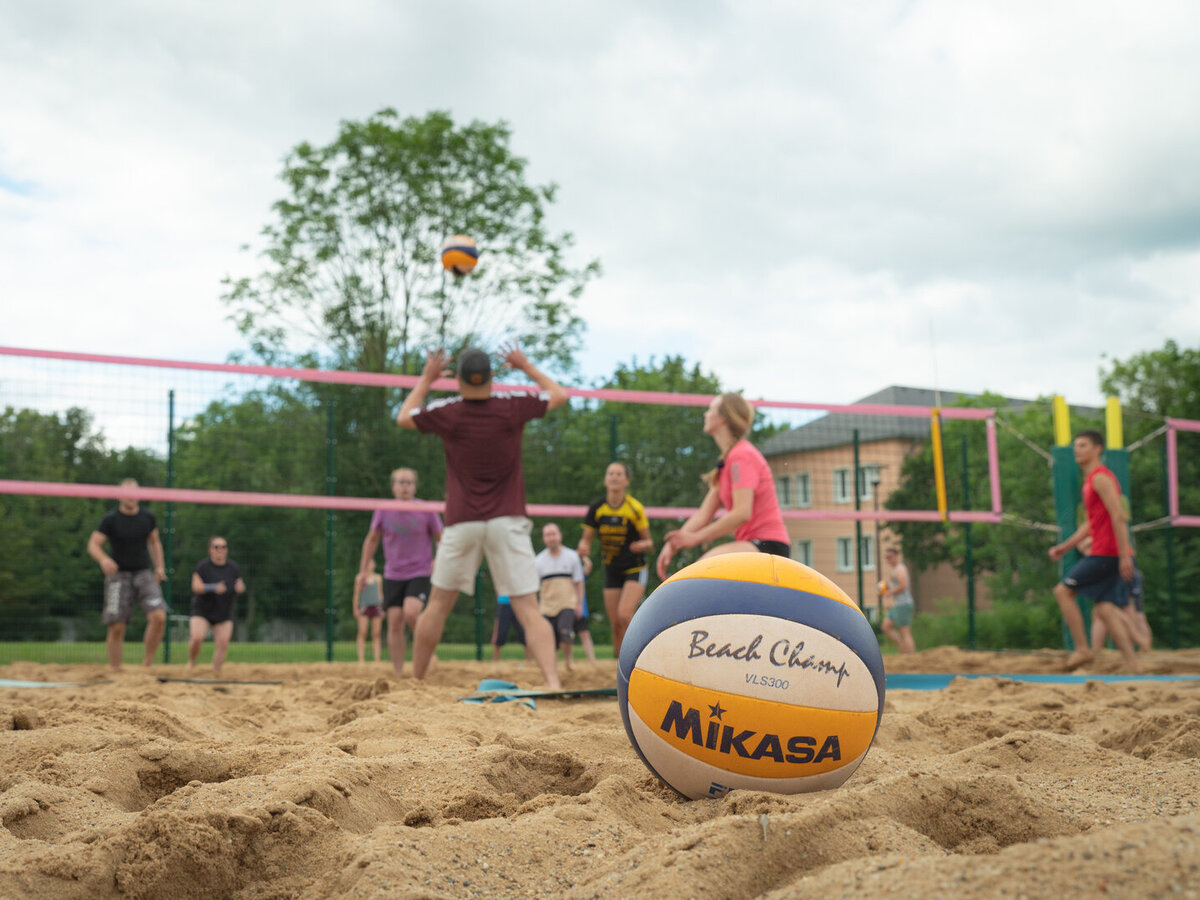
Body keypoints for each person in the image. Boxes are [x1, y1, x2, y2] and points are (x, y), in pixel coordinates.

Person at [395, 343, 567, 689]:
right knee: (528, 609)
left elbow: (403, 417)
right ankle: (553, 682)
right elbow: (559, 395)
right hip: (507, 521)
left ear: (458, 379)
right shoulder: (511, 407)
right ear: (492, 377)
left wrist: (427, 379)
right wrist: (525, 365)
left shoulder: (450, 412)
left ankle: (415, 680)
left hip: (462, 522)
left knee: (438, 606)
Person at [656, 393, 790, 579]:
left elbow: (742, 513)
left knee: (699, 575)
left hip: (768, 546)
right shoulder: (728, 460)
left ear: (723, 418)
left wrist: (696, 538)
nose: (705, 414)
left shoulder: (741, 456)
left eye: (710, 409)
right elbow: (704, 514)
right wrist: (673, 544)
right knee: (698, 579)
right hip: (753, 546)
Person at [1048, 430, 1140, 672]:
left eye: (1082, 445)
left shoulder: (1100, 478)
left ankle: (1082, 650)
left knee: (1063, 592)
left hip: (1107, 552)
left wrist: (1123, 556)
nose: (1077, 449)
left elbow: (1118, 516)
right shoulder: (1090, 481)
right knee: (1104, 608)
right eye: (1075, 445)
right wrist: (1065, 547)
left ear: (1097, 449)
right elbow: (1091, 523)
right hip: (1108, 551)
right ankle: (1133, 665)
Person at [356, 467, 443, 678]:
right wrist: (363, 571)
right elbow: (372, 540)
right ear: (393, 486)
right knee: (394, 621)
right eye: (401, 482)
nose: (405, 487)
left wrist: (438, 562)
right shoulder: (383, 510)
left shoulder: (427, 509)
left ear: (415, 486)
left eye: (409, 483)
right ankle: (398, 673)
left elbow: (442, 539)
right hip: (393, 574)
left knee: (412, 612)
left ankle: (426, 654)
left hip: (420, 571)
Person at [86, 478, 168, 670]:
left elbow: (154, 542)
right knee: (117, 625)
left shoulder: (148, 517)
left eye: (134, 493)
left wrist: (159, 567)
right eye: (127, 493)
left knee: (159, 617)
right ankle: (116, 670)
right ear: (119, 495)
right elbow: (93, 544)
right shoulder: (111, 519)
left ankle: (147, 664)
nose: (131, 497)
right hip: (119, 575)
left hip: (143, 573)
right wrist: (104, 559)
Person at [576, 461, 654, 657]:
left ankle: (639, 658)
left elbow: (649, 543)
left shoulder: (634, 508)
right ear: (605, 479)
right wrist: (583, 548)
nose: (614, 477)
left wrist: (640, 545)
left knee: (625, 615)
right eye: (610, 473)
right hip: (612, 569)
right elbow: (586, 541)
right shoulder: (597, 508)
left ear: (626, 481)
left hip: (635, 568)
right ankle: (619, 664)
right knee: (616, 624)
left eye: (619, 474)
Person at [188, 535, 246, 675]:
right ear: (210, 550)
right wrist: (213, 587)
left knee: (223, 643)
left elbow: (240, 585)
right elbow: (196, 587)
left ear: (226, 550)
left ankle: (216, 671)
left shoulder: (233, 567)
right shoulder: (203, 566)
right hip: (203, 609)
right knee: (197, 638)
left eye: (223, 547)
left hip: (223, 611)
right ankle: (191, 662)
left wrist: (241, 588)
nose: (220, 549)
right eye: (216, 547)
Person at [536, 522, 587, 670]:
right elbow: (535, 587)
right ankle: (551, 664)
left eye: (553, 534)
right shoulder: (538, 561)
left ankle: (568, 661)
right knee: (548, 638)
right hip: (546, 606)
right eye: (547, 535)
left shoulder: (571, 557)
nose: (551, 538)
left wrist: (579, 604)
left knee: (565, 632)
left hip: (567, 603)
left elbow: (579, 582)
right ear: (544, 539)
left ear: (560, 536)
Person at [878, 547, 915, 653]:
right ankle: (903, 648)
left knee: (905, 632)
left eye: (890, 557)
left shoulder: (900, 569)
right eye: (886, 557)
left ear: (896, 556)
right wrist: (888, 586)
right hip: (898, 605)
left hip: (903, 604)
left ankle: (911, 656)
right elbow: (898, 585)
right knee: (886, 626)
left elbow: (903, 585)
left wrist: (890, 592)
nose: (888, 560)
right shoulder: (895, 569)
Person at [353, 558, 384, 665]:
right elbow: (356, 594)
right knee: (362, 632)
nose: (370, 564)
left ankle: (377, 659)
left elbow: (380, 593)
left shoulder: (378, 578)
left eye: (372, 562)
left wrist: (382, 607)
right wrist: (355, 608)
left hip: (376, 606)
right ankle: (361, 659)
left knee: (376, 633)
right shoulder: (360, 578)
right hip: (364, 607)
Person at [490, 594, 528, 662]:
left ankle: (529, 660)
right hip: (504, 602)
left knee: (523, 632)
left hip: (518, 601)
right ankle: (495, 660)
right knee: (501, 632)